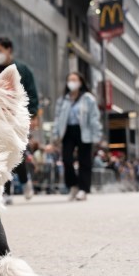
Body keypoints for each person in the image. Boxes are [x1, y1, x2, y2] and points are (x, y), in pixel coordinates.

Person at [0, 36, 39, 203]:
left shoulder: (22, 70)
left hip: (17, 117)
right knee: (1, 152)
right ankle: (5, 193)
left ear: (8, 49)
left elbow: (32, 94)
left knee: (17, 152)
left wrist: (33, 115)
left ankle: (25, 182)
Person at [52, 72, 102, 201]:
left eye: (74, 80)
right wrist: (55, 134)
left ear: (80, 82)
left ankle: (83, 189)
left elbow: (94, 118)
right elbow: (57, 118)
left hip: (84, 131)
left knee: (84, 161)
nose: (71, 82)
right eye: (69, 80)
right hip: (67, 131)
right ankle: (73, 185)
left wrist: (97, 135)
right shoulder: (63, 100)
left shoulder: (88, 98)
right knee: (66, 160)